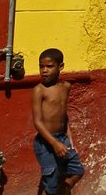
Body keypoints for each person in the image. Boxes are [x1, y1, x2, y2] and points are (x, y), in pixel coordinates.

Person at [32, 49, 84, 195]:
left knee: (78, 171)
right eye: (41, 66)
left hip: (62, 139)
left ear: (60, 67)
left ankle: (63, 190)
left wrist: (69, 138)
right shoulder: (39, 90)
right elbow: (37, 122)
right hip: (45, 143)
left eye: (49, 66)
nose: (44, 70)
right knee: (52, 182)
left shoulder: (66, 87)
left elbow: (63, 115)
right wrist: (54, 144)